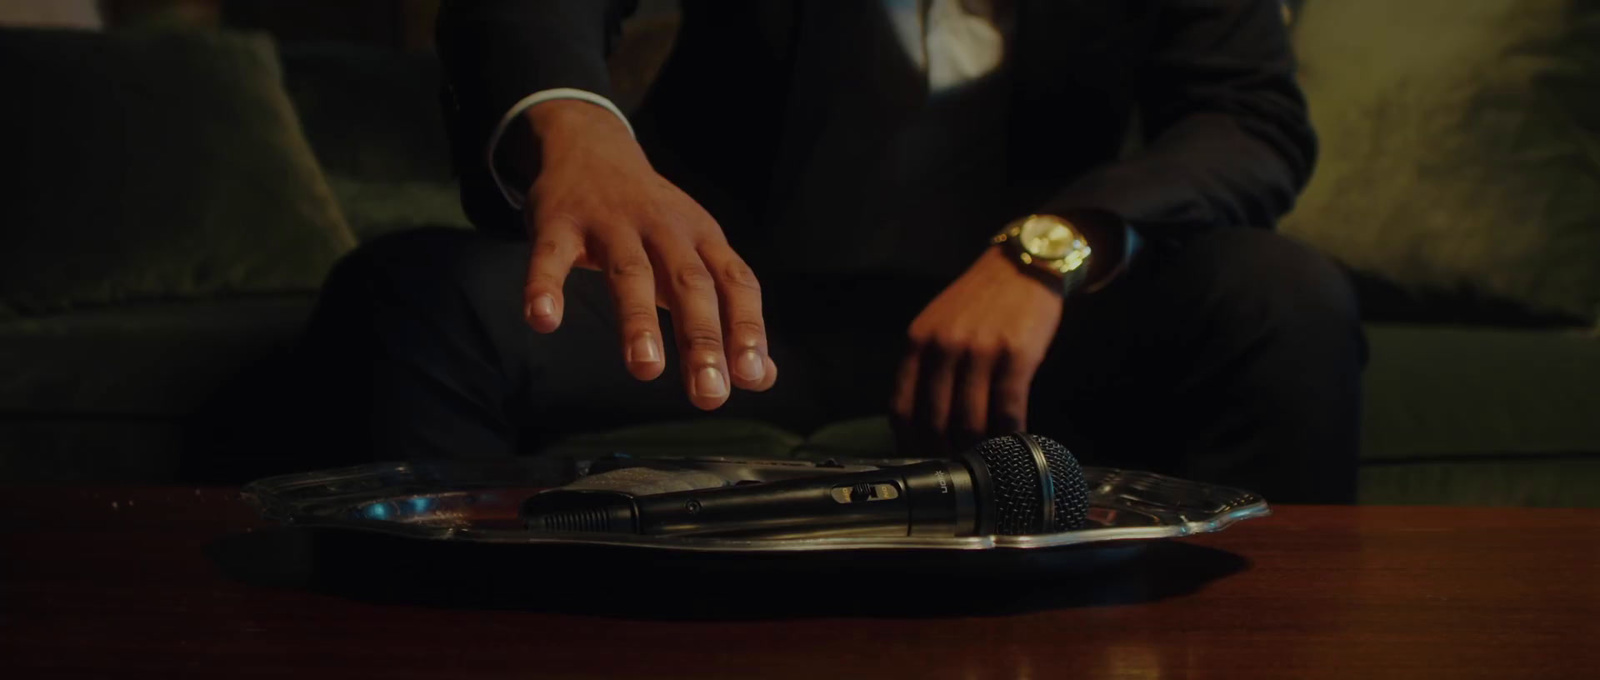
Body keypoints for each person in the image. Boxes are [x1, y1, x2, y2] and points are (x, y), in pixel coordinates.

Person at [297, 0, 1365, 503]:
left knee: (1285, 300)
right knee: (415, 299)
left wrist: (1053, 247)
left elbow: (1248, 119)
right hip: (720, 303)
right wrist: (578, 123)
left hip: (1021, 328)